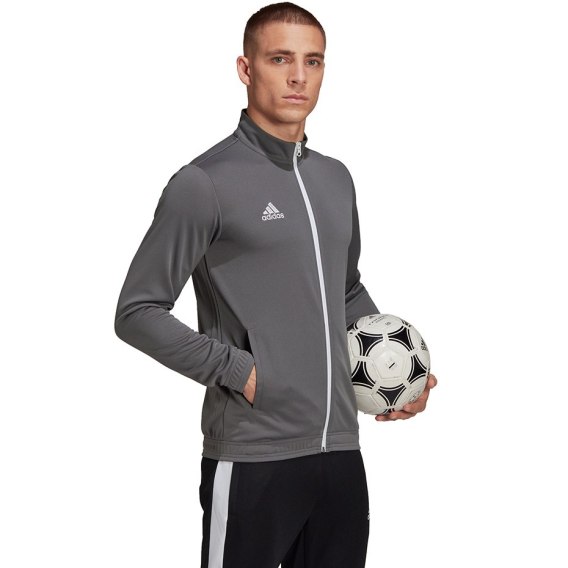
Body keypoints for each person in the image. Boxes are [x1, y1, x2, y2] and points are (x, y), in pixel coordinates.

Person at [114, 3, 437, 567]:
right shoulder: (203, 183)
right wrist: (238, 370)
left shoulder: (335, 178)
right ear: (246, 69)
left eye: (313, 61)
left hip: (340, 453)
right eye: (280, 59)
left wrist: (393, 373)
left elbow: (345, 290)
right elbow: (137, 311)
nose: (298, 77)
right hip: (253, 454)